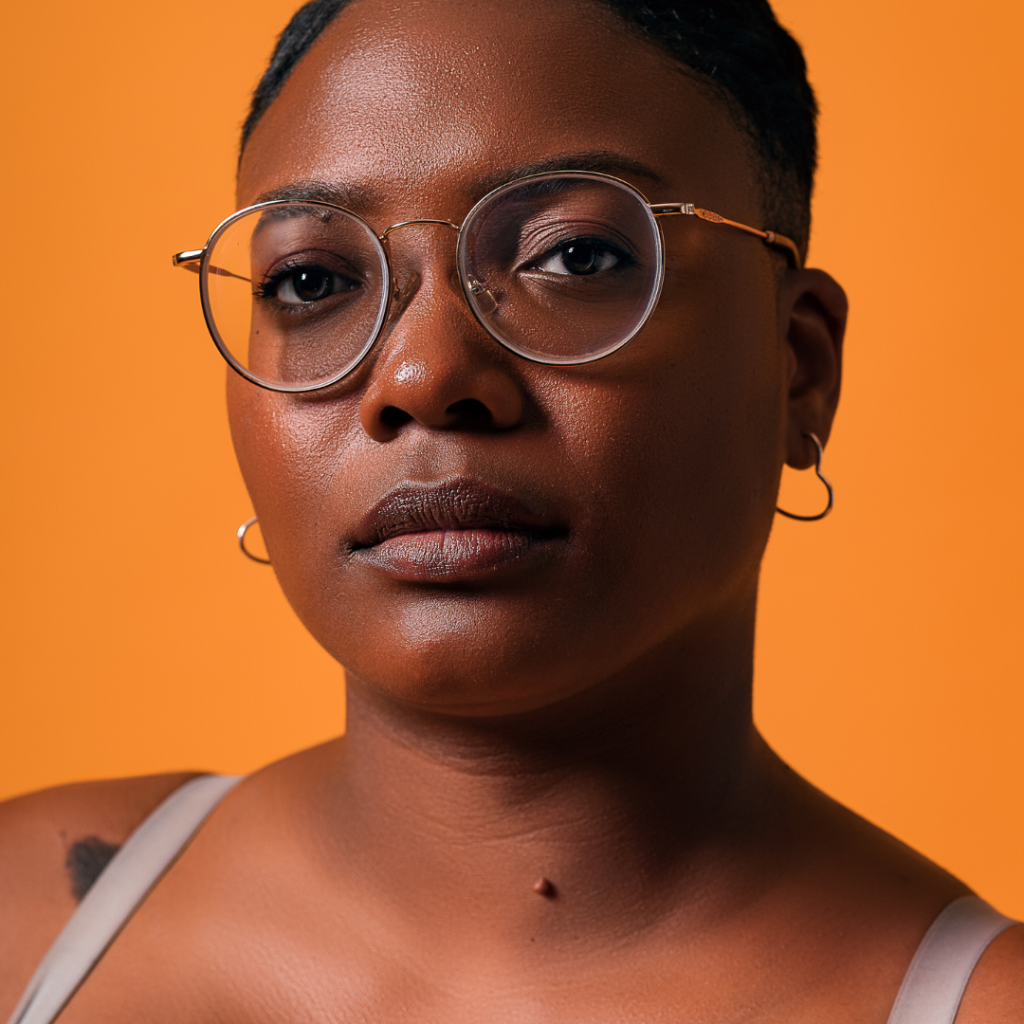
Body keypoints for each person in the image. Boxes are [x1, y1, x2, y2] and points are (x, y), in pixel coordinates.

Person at [1, 0, 1021, 1021]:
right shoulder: (28, 919)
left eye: (574, 257)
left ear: (799, 373)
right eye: (313, 278)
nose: (422, 372)